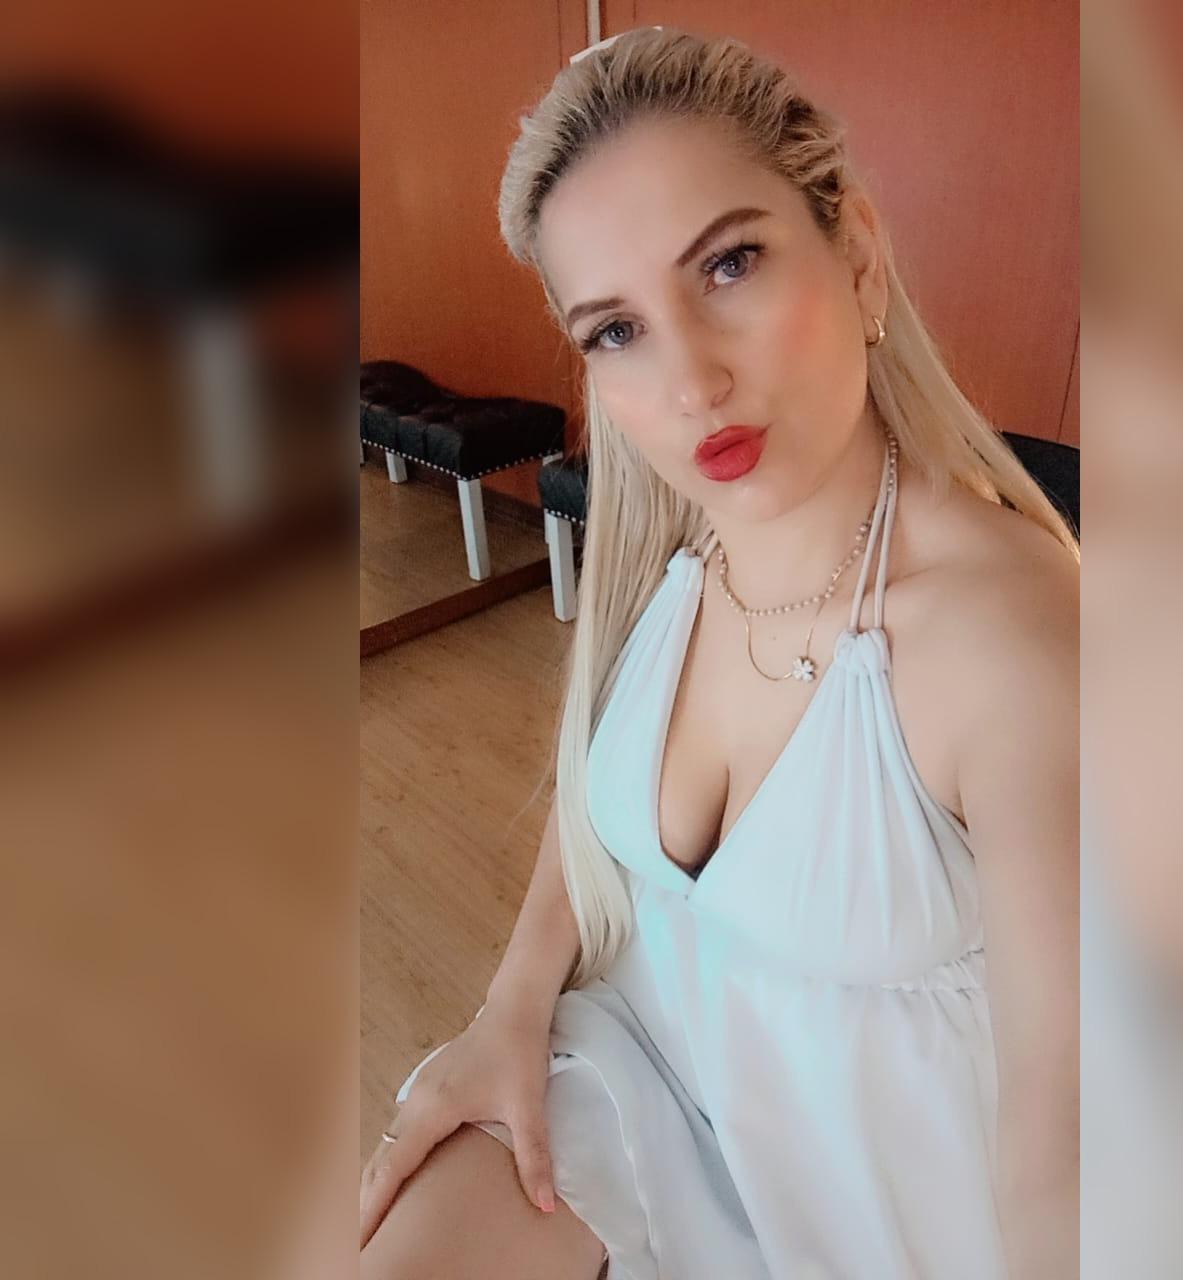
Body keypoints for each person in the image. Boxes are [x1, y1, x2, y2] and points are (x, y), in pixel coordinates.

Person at [360, 27, 1078, 1280]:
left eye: (729, 263)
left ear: (859, 257)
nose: (690, 379)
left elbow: (1066, 1135)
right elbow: (595, 793)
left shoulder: (1003, 634)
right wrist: (509, 1003)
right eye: (616, 330)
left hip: (884, 1208)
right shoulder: (679, 549)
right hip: (650, 1080)